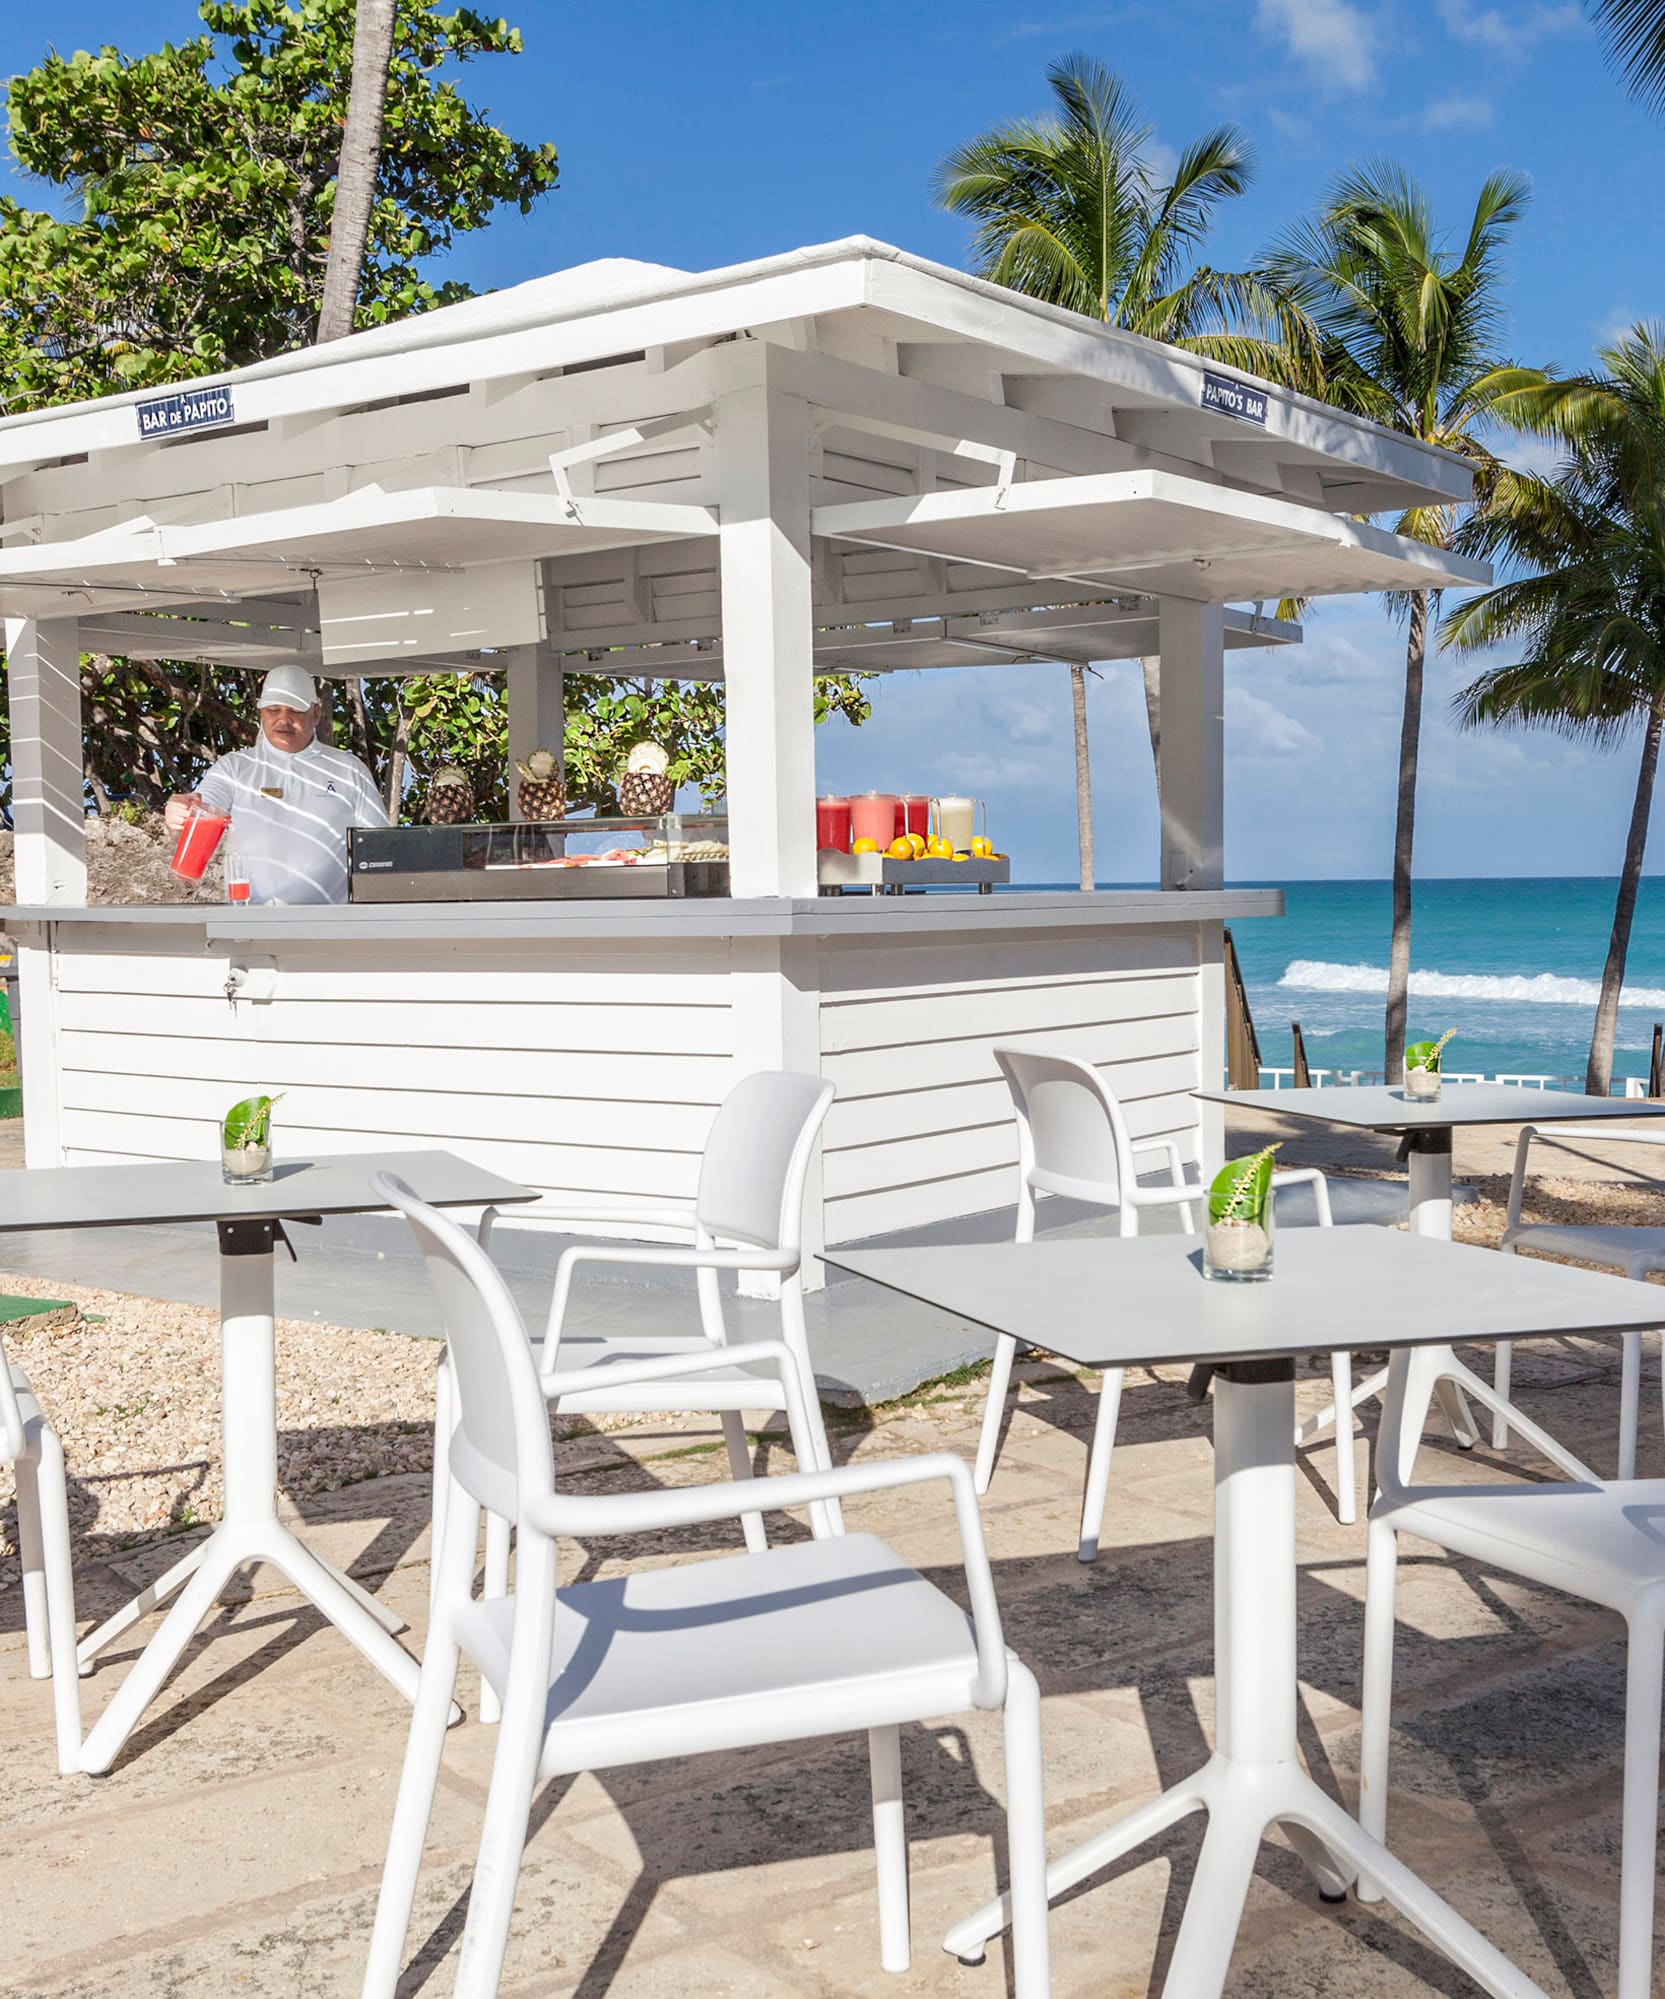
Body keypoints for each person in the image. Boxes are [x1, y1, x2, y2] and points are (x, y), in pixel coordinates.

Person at [165, 665, 388, 904]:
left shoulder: (349, 769)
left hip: (330, 926)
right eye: (274, 710)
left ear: (316, 713)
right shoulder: (234, 767)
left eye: (295, 710)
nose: (284, 719)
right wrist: (178, 811)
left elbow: (379, 847)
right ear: (261, 712)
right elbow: (200, 811)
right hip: (252, 924)